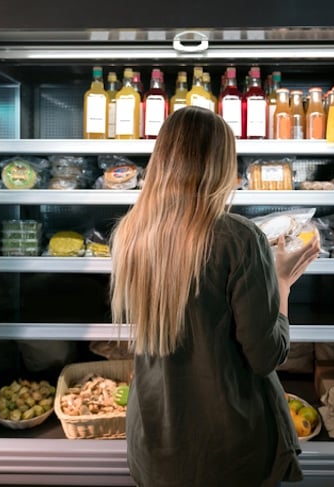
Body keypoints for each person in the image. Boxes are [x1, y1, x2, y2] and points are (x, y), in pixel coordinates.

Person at [110, 106, 321, 487]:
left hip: (154, 441)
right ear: (223, 164)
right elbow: (266, 356)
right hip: (227, 449)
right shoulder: (240, 238)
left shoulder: (131, 233)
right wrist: (283, 281)